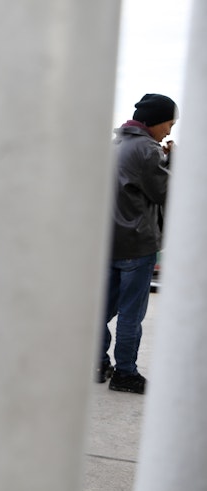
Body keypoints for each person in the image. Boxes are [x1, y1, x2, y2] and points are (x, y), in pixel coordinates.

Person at [98, 93, 178, 394]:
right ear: (156, 121)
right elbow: (166, 192)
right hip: (137, 245)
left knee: (101, 310)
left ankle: (97, 362)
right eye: (169, 123)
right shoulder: (146, 150)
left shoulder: (116, 145)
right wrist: (176, 160)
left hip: (109, 243)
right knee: (131, 315)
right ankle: (126, 374)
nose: (169, 130)